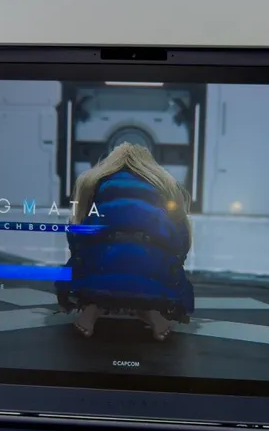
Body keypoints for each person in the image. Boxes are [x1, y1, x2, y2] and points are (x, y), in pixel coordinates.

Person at [55, 143, 194, 341]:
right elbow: (181, 237)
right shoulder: (164, 184)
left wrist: (79, 259)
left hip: (102, 267)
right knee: (149, 271)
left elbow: (76, 232)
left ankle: (92, 308)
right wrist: (174, 265)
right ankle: (151, 310)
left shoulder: (92, 182)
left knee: (97, 270)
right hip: (149, 269)